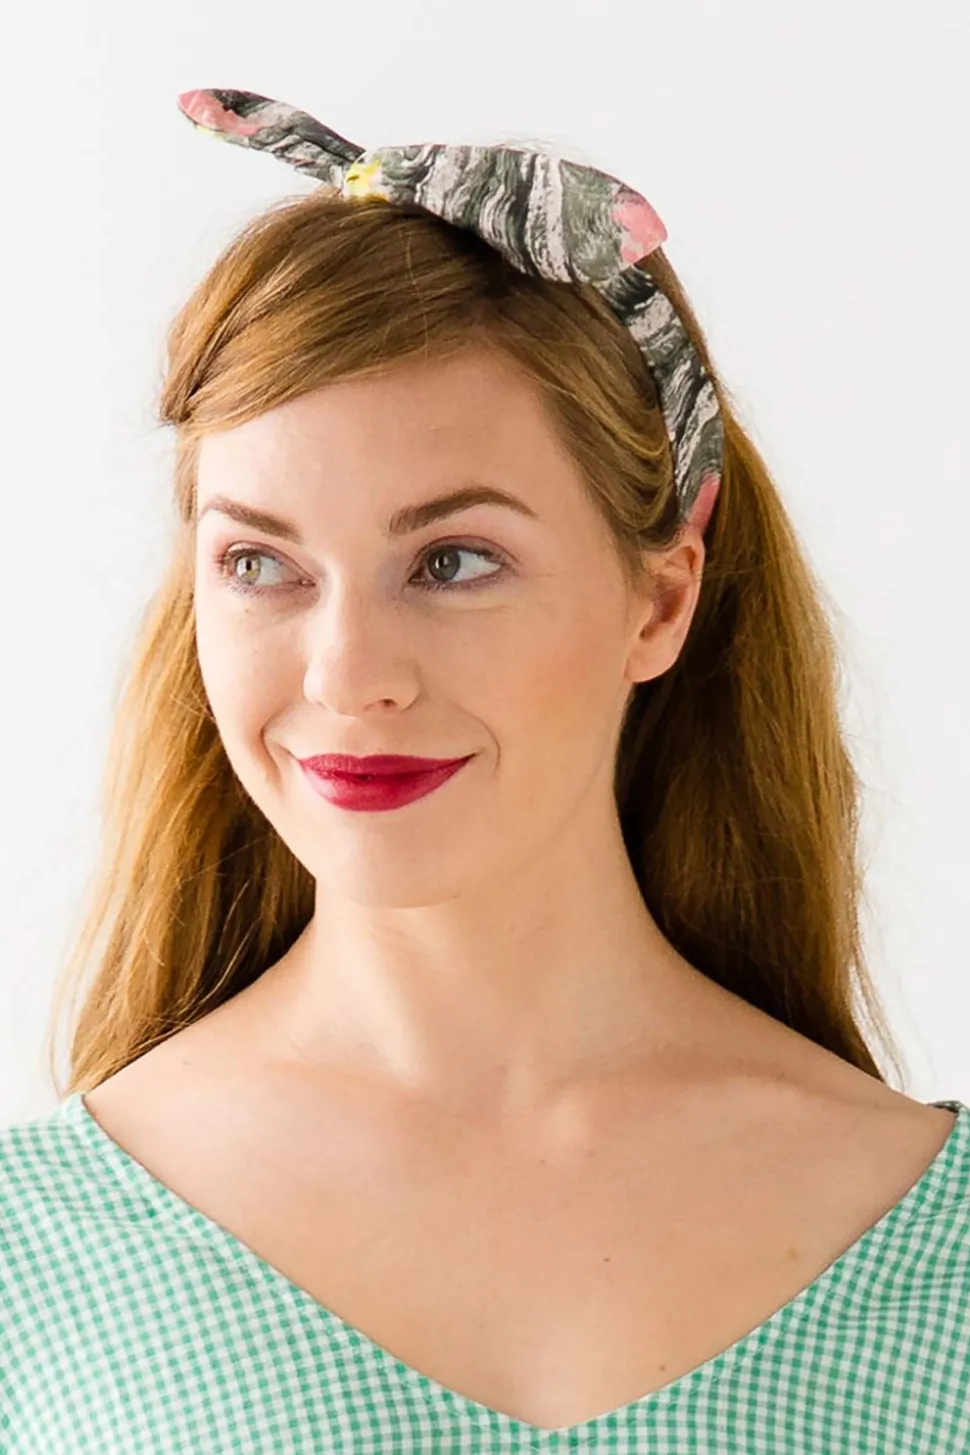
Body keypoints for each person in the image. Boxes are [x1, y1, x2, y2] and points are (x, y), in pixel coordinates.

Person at [1, 89, 966, 1453]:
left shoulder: (935, 1247)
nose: (349, 674)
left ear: (659, 599)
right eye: (259, 562)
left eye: (452, 561)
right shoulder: (33, 1256)